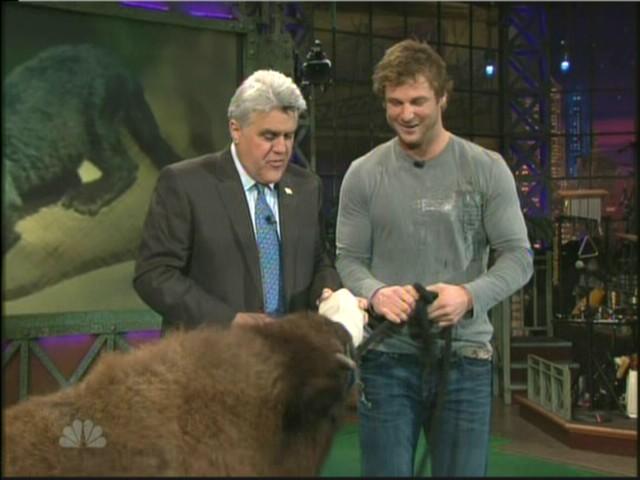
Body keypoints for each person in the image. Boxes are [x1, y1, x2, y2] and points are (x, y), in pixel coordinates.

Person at [335, 39, 534, 477]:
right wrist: (377, 292)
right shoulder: (363, 174)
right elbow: (349, 259)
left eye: (418, 102)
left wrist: (468, 296)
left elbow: (519, 258)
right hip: (386, 359)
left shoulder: (486, 169)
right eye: (395, 103)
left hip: (464, 358)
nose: (406, 114)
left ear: (443, 97)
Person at [134, 69, 343, 330]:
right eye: (269, 136)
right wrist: (229, 321)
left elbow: (319, 261)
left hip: (288, 347)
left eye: (288, 136)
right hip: (212, 349)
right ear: (236, 129)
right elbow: (154, 274)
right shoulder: (185, 184)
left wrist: (328, 293)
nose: (282, 149)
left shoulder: (307, 187)